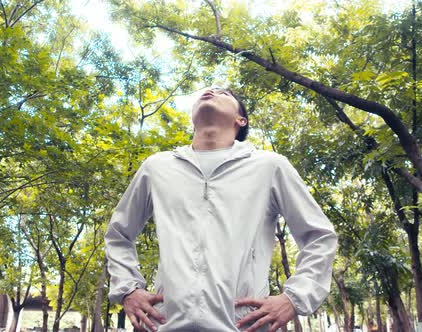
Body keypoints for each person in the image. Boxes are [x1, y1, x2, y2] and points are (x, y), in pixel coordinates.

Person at [104, 87, 338, 332]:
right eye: (205, 91)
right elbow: (118, 234)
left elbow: (320, 237)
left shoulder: (269, 166)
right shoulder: (157, 167)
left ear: (241, 120)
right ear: (192, 117)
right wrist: (128, 289)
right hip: (166, 324)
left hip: (244, 325)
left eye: (224, 94)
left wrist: (294, 298)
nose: (211, 91)